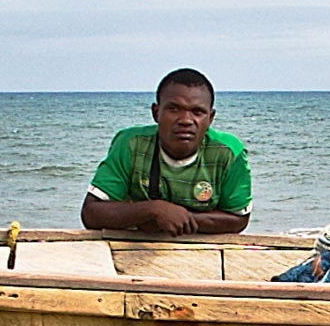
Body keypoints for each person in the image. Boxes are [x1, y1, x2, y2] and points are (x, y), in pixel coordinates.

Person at [81, 69, 253, 236]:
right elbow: (91, 212)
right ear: (156, 113)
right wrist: (154, 209)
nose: (186, 120)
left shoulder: (229, 152)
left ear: (210, 118)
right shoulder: (130, 144)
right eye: (174, 109)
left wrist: (176, 219)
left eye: (197, 112)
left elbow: (239, 219)